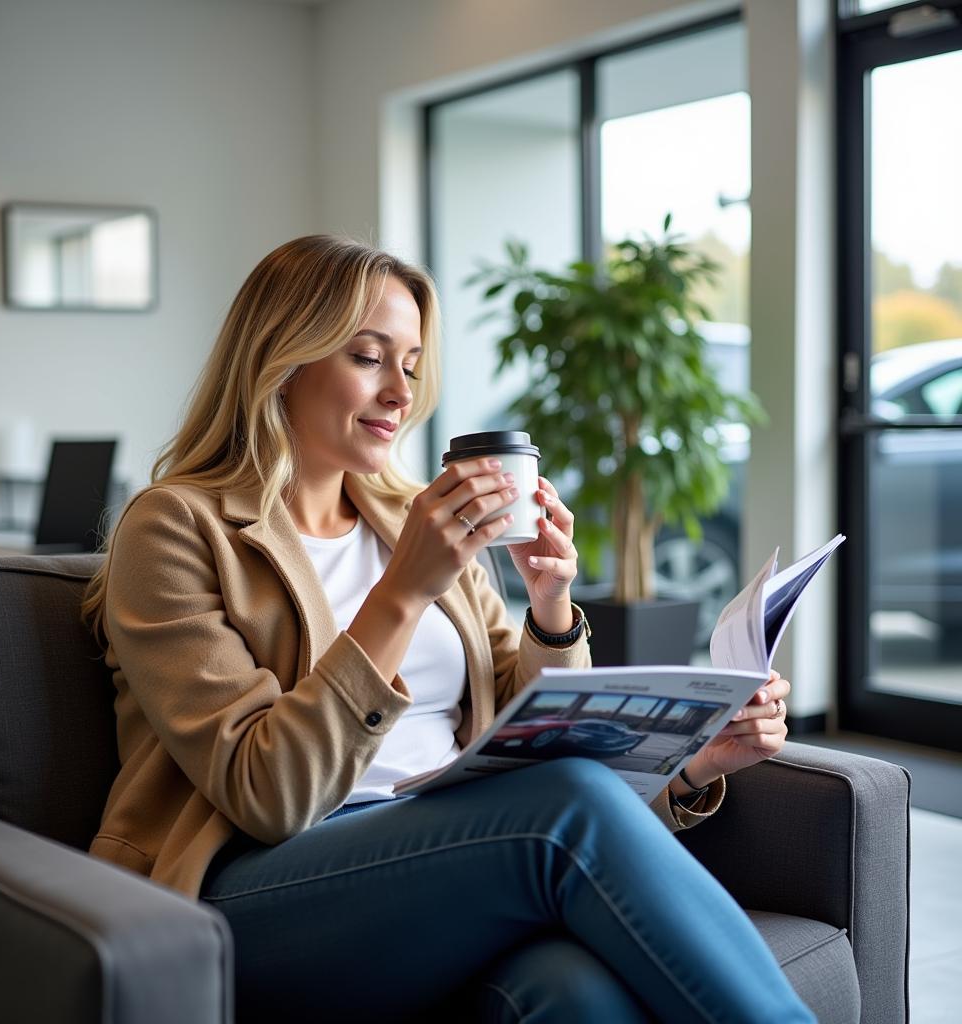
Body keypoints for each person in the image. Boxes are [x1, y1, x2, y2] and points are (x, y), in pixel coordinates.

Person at [83, 234, 815, 1023]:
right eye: (369, 357)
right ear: (281, 362)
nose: (401, 393)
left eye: (410, 363)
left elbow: (526, 730)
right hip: (255, 885)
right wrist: (402, 593)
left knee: (575, 992)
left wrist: (558, 616)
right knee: (567, 803)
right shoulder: (175, 528)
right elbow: (268, 793)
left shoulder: (409, 518)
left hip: (451, 859)